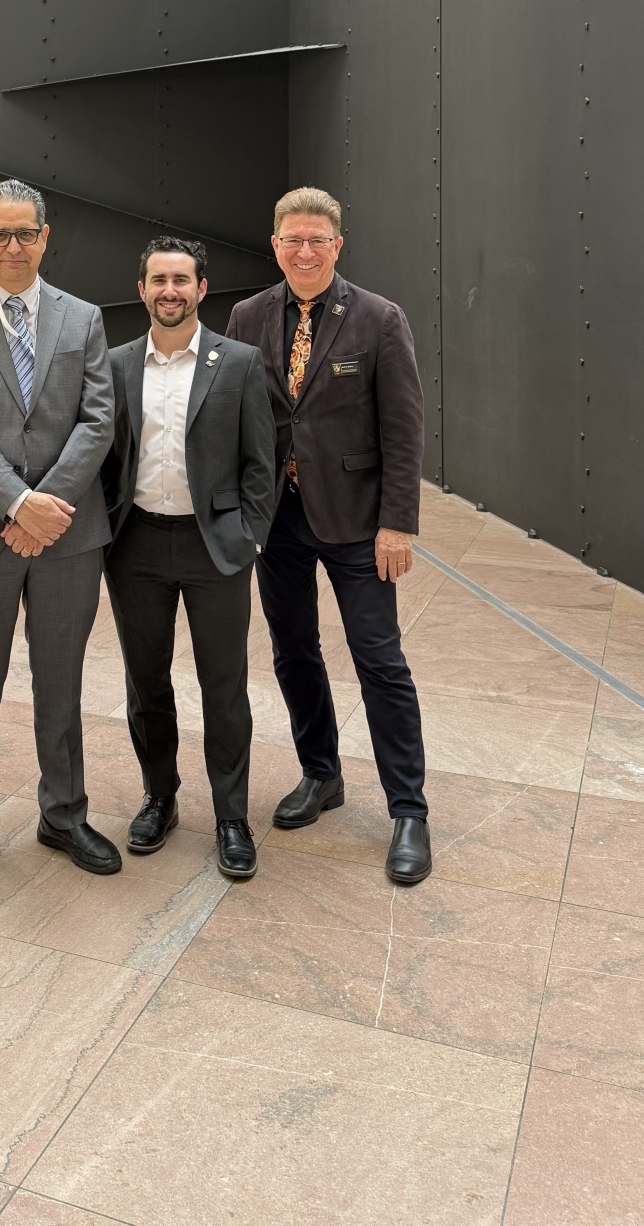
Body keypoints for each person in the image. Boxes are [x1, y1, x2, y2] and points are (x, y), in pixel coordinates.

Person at [226, 187, 431, 885]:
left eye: (317, 240)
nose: (304, 251)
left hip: (357, 522)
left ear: (337, 246)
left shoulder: (379, 319)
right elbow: (237, 417)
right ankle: (322, 774)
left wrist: (398, 522)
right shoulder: (247, 316)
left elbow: (404, 431)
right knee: (294, 653)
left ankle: (409, 809)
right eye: (292, 240)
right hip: (277, 521)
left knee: (380, 660)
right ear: (275, 243)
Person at [0, 179, 117, 884]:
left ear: (45, 236)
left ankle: (64, 815)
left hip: (68, 532)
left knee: (60, 683)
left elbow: (99, 418)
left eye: (25, 233)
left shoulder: (84, 318)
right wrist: (15, 503)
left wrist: (47, 505)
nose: (13, 246)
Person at [101, 237, 275, 879]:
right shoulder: (116, 365)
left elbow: (262, 460)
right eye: (157, 279)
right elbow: (101, 457)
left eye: (181, 279)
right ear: (142, 288)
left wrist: (249, 535)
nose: (168, 290)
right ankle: (160, 797)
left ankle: (232, 816)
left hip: (216, 549)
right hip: (136, 546)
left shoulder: (239, 363)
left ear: (202, 289)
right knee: (146, 684)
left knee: (223, 688)